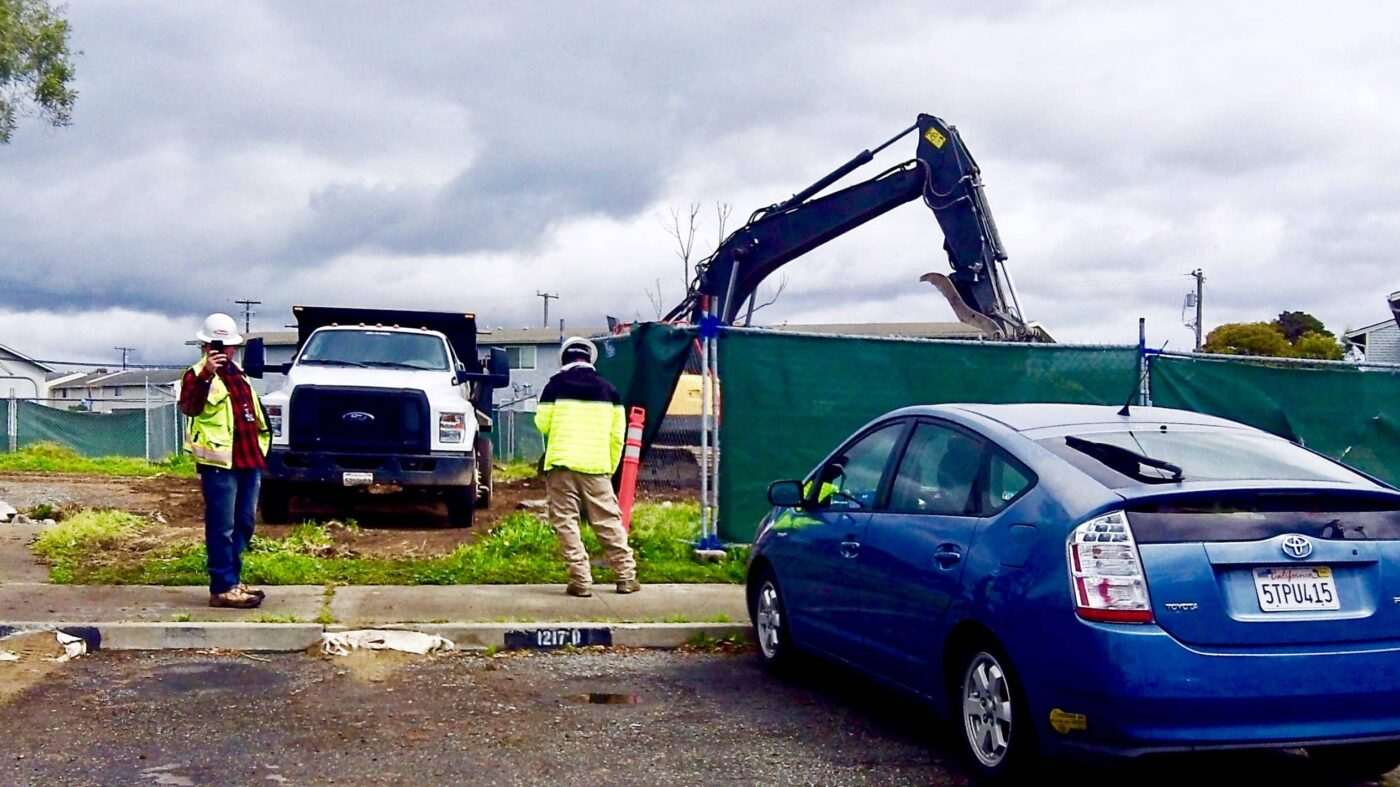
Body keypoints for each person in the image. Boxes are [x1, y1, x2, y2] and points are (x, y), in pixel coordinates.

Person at [534, 336, 640, 597]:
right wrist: (610, 467)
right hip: (596, 466)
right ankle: (626, 576)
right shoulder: (609, 390)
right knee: (607, 521)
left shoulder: (554, 386)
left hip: (561, 464)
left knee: (566, 522)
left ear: (564, 359)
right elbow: (618, 436)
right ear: (590, 359)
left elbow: (542, 424)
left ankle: (580, 580)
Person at [179, 313, 271, 609]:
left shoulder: (239, 374)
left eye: (229, 346)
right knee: (222, 526)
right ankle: (222, 586)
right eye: (217, 346)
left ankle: (233, 579)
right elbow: (190, 407)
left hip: (248, 459)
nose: (224, 351)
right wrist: (206, 373)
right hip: (219, 463)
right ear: (205, 346)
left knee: (244, 522)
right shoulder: (195, 376)